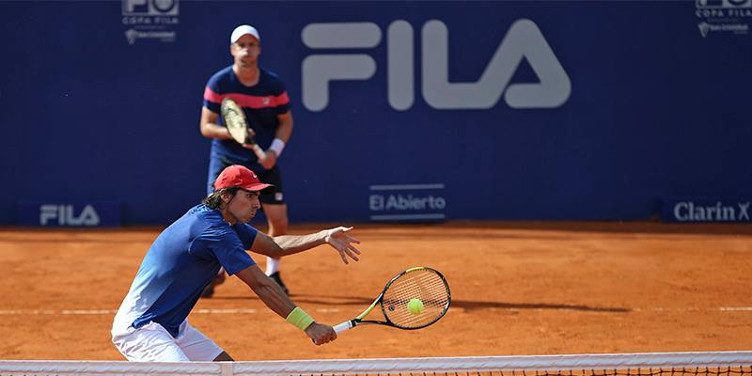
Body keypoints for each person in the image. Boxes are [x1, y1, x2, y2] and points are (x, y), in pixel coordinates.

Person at [111, 165, 362, 361]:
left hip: (173, 325)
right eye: (249, 195)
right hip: (142, 328)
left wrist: (323, 236)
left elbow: (273, 247)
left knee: (228, 371)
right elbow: (261, 284)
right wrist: (308, 325)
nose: (257, 203)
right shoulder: (213, 231)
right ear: (225, 196)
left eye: (258, 195)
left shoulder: (221, 220)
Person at [199, 24, 293, 297]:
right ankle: (215, 272)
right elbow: (206, 126)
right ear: (232, 50)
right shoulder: (219, 83)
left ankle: (273, 273)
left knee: (279, 220)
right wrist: (233, 133)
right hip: (228, 161)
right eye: (241, 45)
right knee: (218, 219)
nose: (246, 50)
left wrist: (274, 151)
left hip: (264, 162)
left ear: (258, 50)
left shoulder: (273, 85)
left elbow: (286, 123)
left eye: (251, 45)